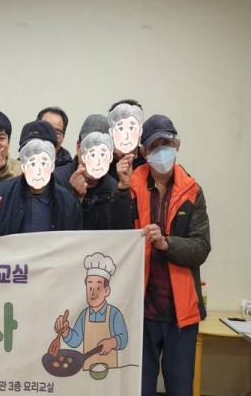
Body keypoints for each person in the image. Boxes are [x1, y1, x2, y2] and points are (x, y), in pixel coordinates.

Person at [110, 114, 210, 396]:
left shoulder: (192, 191)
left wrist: (167, 244)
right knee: (139, 389)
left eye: (167, 143)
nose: (162, 151)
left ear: (177, 145)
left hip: (182, 313)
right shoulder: (131, 184)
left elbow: (201, 247)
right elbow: (115, 237)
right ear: (143, 151)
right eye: (154, 146)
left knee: (180, 388)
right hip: (140, 311)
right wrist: (121, 188)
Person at [0, 120, 82, 238]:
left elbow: (76, 244)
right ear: (23, 163)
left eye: (43, 161)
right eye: (31, 160)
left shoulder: (68, 203)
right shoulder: (1, 195)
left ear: (52, 164)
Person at [54, 253, 129, 370]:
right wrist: (66, 331)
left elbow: (124, 338)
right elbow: (76, 341)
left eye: (98, 288)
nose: (93, 293)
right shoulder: (84, 315)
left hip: (110, 370)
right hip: (88, 369)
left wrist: (112, 342)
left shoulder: (114, 314)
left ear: (107, 291)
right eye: (90, 288)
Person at [55, 115, 123, 230]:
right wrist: (74, 199)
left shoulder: (113, 188)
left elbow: (118, 233)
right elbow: (53, 230)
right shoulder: (58, 179)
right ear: (78, 147)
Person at [107, 99, 146, 180]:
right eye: (121, 128)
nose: (126, 135)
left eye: (131, 128)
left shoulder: (149, 160)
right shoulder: (104, 163)